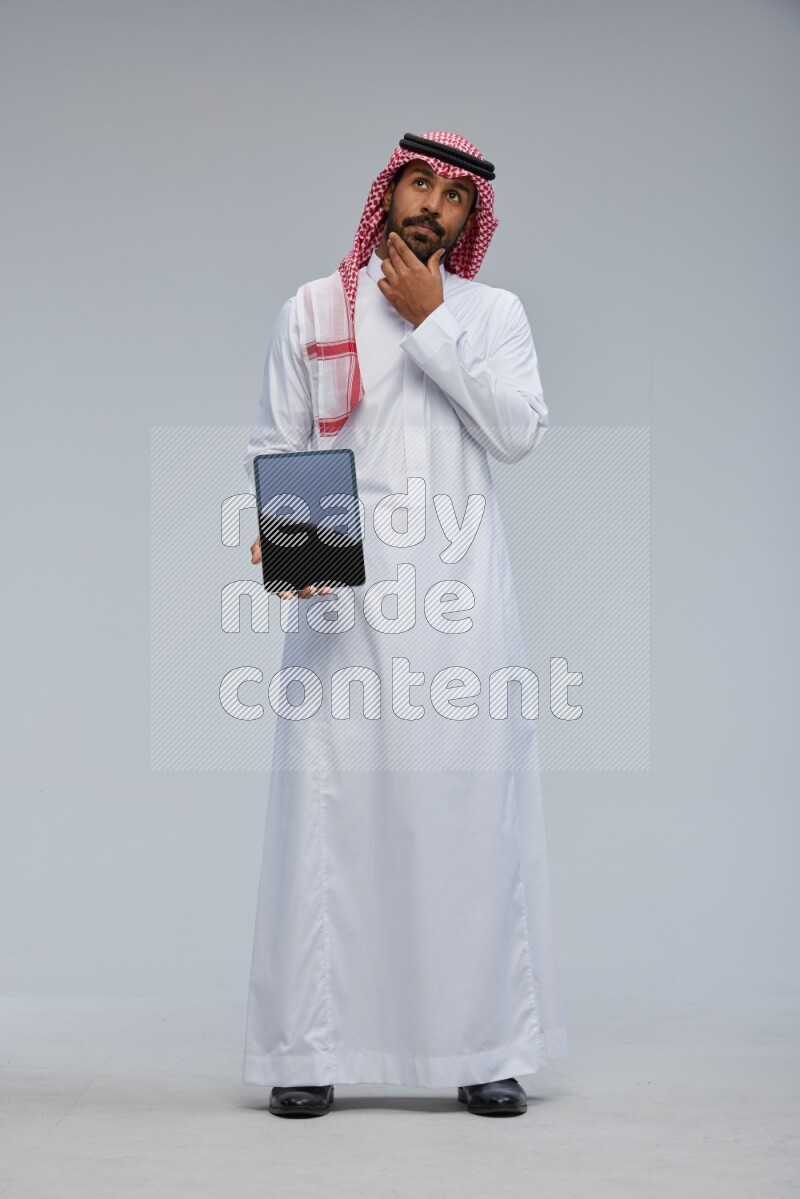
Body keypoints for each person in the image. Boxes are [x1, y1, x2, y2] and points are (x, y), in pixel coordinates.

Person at [242, 130, 568, 1118]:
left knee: (467, 815)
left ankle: (484, 1047)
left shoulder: (489, 314)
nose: (430, 207)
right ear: (386, 193)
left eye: (452, 197)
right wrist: (293, 551)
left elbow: (515, 431)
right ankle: (307, 1048)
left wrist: (431, 323)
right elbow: (280, 439)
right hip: (343, 607)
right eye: (417, 185)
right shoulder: (311, 306)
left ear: (472, 218)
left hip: (461, 609)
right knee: (329, 814)